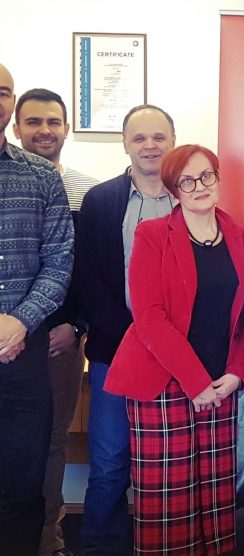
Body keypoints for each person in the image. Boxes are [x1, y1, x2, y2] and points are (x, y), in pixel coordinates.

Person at [102, 144, 244, 553]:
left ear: (218, 177)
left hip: (221, 385)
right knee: (168, 507)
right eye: (186, 181)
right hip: (163, 384)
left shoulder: (239, 235)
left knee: (217, 502)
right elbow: (149, 317)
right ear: (174, 189)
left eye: (206, 175)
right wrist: (195, 382)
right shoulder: (152, 234)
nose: (199, 186)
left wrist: (238, 373)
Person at [75, 104, 177, 554]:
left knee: (169, 464)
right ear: (125, 144)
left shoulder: (192, 198)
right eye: (139, 138)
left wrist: (167, 341)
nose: (150, 145)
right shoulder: (100, 201)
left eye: (158, 137)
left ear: (173, 142)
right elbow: (87, 277)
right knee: (110, 462)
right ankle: (101, 547)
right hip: (115, 352)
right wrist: (138, 336)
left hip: (179, 358)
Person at [13, 87, 98, 556]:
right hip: (8, 336)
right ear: (16, 128)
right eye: (33, 122)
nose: (44, 131)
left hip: (60, 341)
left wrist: (76, 326)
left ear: (66, 128)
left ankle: (48, 540)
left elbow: (88, 270)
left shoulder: (88, 192)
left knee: (49, 444)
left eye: (53, 122)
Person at [0, 62, 75, 556]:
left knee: (24, 484)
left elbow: (59, 260)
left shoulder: (41, 175)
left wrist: (20, 321)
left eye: (2, 91)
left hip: (23, 354)